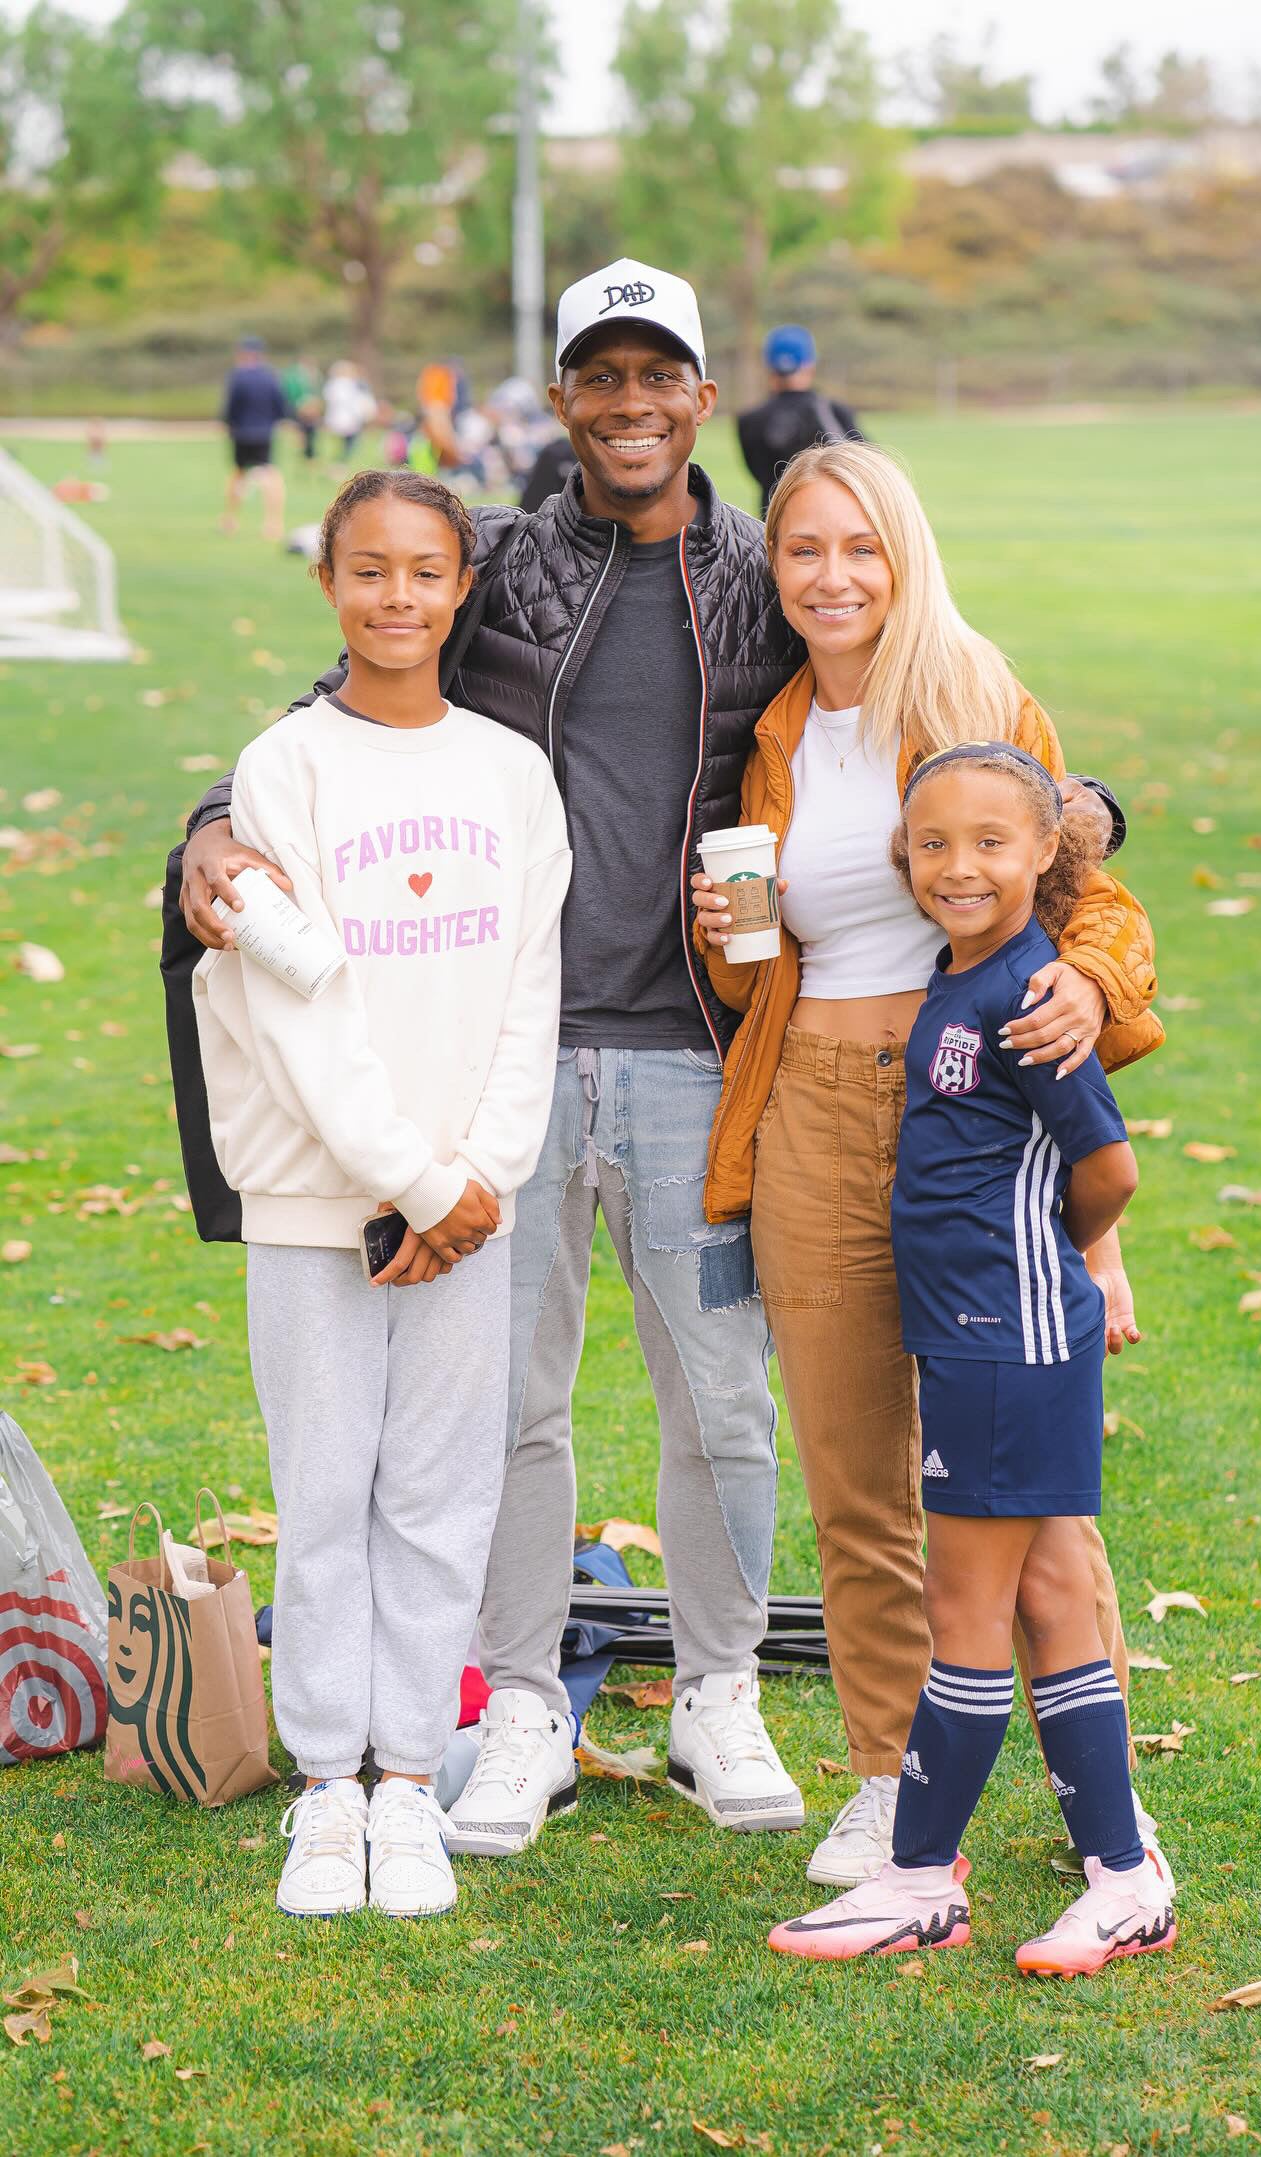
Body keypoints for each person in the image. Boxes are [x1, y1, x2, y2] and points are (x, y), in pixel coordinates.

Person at [165, 256, 811, 1858]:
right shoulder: (504, 565)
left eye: (660, 373)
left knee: (722, 1398)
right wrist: (211, 832)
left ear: (701, 399)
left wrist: (1083, 813)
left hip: (696, 1055)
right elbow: (352, 701)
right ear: (569, 396)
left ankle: (719, 1688)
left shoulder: (763, 571)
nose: (631, 401)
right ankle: (521, 1696)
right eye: (603, 373)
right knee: (507, 1412)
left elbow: (916, 685)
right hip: (498, 1063)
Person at [690, 441, 1162, 1890]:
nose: (833, 578)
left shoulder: (969, 695)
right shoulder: (771, 732)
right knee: (854, 1475)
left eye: (861, 548)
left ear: (904, 554)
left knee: (1031, 1491)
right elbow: (764, 956)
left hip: (976, 1111)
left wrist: (1085, 978)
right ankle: (890, 1780)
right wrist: (726, 937)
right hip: (816, 1109)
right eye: (804, 552)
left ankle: (1110, 1819)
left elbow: (1091, 884)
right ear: (776, 569)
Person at [192, 468, 570, 1918]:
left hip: (469, 1206)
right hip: (320, 1201)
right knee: (326, 1490)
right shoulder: (286, 765)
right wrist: (410, 1177)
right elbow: (299, 1006)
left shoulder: (507, 771)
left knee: (439, 1491)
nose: (397, 597)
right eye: (368, 570)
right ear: (329, 583)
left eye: (424, 571)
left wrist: (475, 1183)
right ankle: (326, 1789)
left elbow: (528, 992)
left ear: (462, 581)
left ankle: (411, 1778)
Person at [767, 743, 1176, 1973]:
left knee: (967, 1614)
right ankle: (1121, 1879)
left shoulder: (1034, 993)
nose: (959, 866)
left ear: (1048, 850)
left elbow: (1108, 1168)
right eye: (933, 842)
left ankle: (919, 1878)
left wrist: (1047, 1268)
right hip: (982, 1340)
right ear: (903, 852)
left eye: (993, 843)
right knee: (1050, 1601)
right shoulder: (964, 979)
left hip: (1006, 1341)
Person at [737, 325, 865, 512]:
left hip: (773, 523)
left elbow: (758, 473)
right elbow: (866, 467)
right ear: (809, 364)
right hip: (831, 521)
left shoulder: (749, 421)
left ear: (768, 366)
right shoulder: (833, 412)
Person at [220, 337, 288, 542]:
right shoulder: (271, 377)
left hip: (242, 432)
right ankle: (273, 523)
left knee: (239, 474)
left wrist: (230, 424)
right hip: (264, 432)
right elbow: (280, 406)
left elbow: (231, 407)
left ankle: (230, 519)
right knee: (269, 474)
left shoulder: (237, 377)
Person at [323, 361, 377, 467]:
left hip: (338, 418)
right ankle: (340, 463)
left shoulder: (332, 385)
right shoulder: (352, 385)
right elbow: (358, 401)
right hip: (349, 418)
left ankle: (337, 463)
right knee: (348, 443)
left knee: (339, 444)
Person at [282, 355, 323, 461]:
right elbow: (290, 393)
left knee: (311, 432)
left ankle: (310, 454)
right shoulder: (294, 376)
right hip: (299, 408)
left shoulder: (315, 375)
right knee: (301, 431)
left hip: (312, 408)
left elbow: (318, 391)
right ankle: (303, 452)